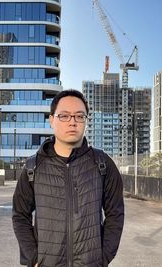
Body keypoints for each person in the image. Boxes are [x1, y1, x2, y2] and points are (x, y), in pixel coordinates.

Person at [12, 89, 124, 267]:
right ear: (52, 120)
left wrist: (103, 258)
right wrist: (33, 258)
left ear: (86, 121)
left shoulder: (103, 164)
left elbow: (115, 214)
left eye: (79, 116)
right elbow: (20, 215)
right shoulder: (33, 167)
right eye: (64, 116)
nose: (72, 122)